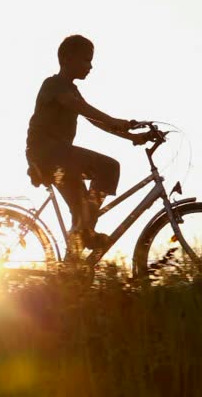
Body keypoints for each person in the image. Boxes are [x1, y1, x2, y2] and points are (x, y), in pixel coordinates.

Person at [25, 34, 153, 261]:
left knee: (80, 211)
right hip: (49, 154)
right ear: (67, 58)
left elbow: (96, 121)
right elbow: (81, 108)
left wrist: (133, 136)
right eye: (86, 60)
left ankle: (69, 272)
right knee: (109, 168)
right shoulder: (54, 85)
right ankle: (87, 233)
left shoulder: (71, 89)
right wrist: (117, 121)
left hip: (60, 159)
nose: (90, 66)